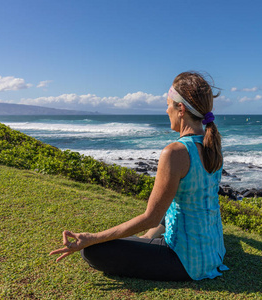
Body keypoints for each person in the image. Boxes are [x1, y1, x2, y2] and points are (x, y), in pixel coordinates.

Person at [50, 71, 228, 281]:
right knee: (168, 207)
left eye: (168, 104)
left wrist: (92, 238)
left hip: (185, 262)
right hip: (213, 252)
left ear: (180, 109)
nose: (166, 109)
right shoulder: (211, 145)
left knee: (92, 251)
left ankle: (146, 240)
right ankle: (146, 239)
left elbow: (150, 218)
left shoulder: (175, 152)